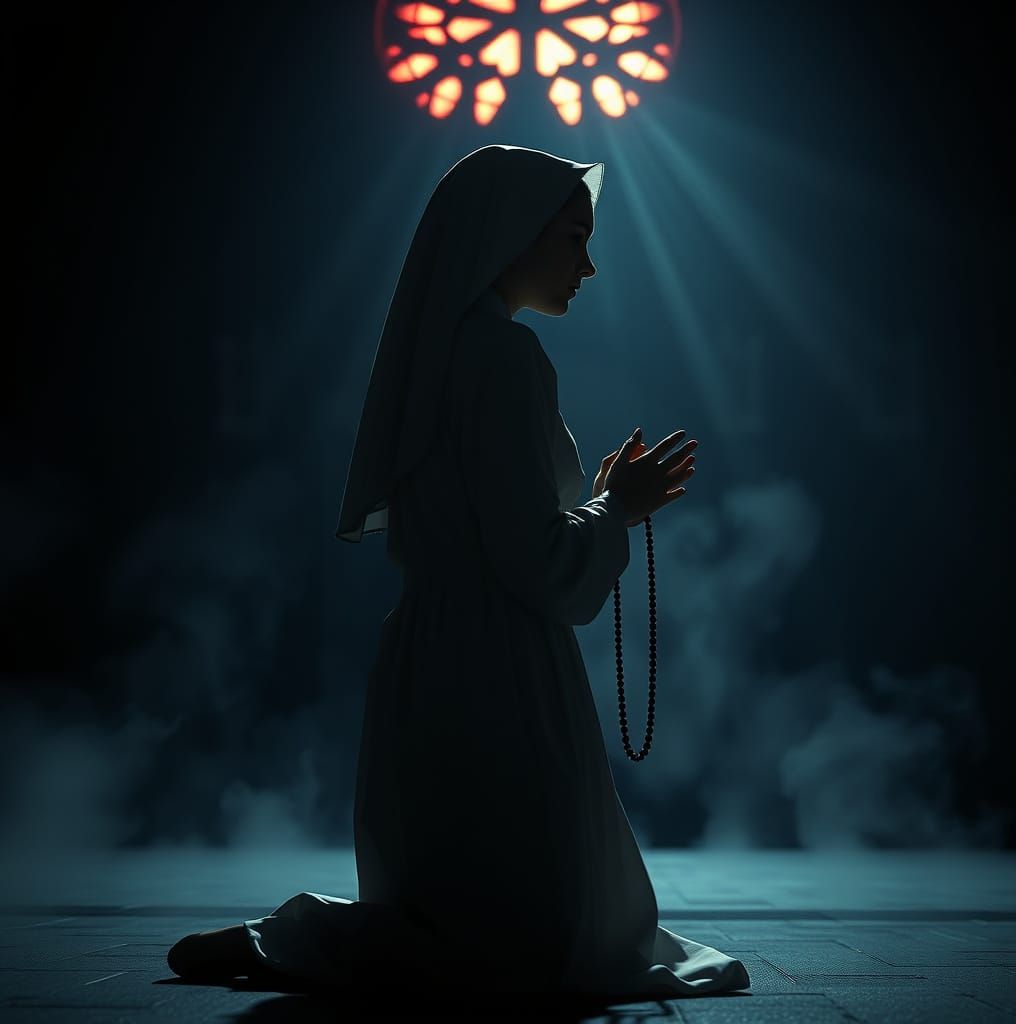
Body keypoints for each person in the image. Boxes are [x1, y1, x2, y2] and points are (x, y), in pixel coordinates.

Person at [167, 145, 749, 1000]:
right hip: (499, 663)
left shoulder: (444, 353)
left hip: (432, 652)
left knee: (465, 903)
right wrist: (616, 509)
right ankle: (297, 937)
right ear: (509, 235)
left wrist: (595, 506)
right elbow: (534, 560)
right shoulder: (506, 359)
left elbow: (496, 527)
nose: (589, 264)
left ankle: (295, 940)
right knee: (535, 941)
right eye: (573, 238)